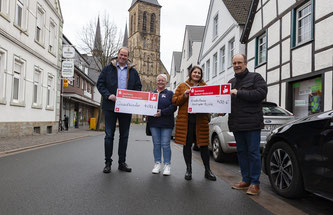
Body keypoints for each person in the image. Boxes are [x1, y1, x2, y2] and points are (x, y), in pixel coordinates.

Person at [97, 47, 142, 174]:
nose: (123, 57)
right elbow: (100, 84)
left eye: (125, 55)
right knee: (109, 135)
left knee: (124, 136)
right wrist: (108, 95)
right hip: (110, 106)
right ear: (117, 55)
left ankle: (122, 162)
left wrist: (133, 97)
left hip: (126, 107)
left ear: (128, 57)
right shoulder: (107, 69)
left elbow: (138, 87)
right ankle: (108, 163)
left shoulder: (133, 71)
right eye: (121, 55)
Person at [228, 54, 267, 195]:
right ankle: (246, 180)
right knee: (242, 153)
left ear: (245, 63)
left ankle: (255, 183)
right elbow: (226, 101)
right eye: (234, 63)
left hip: (252, 123)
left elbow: (261, 93)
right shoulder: (230, 82)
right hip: (237, 123)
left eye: (239, 62)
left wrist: (239, 93)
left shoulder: (256, 77)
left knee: (253, 153)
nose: (236, 65)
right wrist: (221, 110)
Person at [172, 66, 216, 181]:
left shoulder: (205, 87)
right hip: (186, 122)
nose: (196, 74)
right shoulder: (182, 86)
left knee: (204, 146)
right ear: (191, 73)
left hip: (200, 121)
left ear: (201, 75)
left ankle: (208, 170)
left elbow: (211, 102)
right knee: (187, 145)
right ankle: (188, 170)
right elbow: (174, 101)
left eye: (199, 73)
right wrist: (185, 95)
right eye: (195, 72)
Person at [148, 74, 177, 176]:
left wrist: (162, 112)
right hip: (154, 123)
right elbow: (145, 105)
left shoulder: (170, 94)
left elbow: (174, 107)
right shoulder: (151, 93)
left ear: (166, 82)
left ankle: (167, 165)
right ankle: (157, 164)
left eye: (162, 80)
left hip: (166, 123)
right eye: (159, 80)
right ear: (156, 82)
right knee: (156, 144)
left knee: (165, 144)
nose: (160, 82)